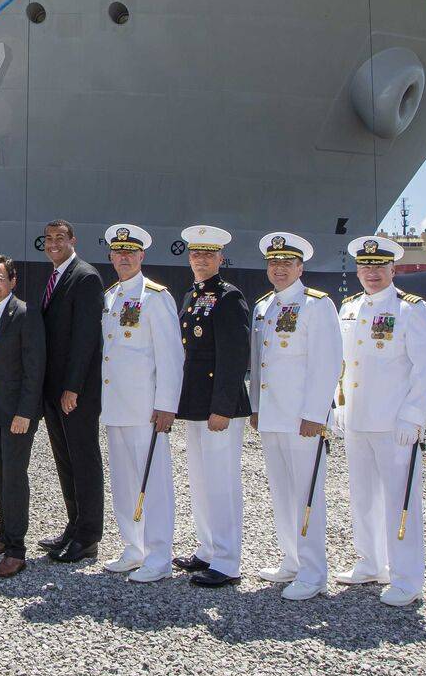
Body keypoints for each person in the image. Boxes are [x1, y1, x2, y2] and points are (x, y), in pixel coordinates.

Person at [334, 235, 426, 606]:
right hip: (358, 419)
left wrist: (413, 416)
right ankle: (370, 563)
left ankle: (407, 578)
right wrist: (339, 407)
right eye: (366, 266)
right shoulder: (348, 308)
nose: (372, 273)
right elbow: (343, 365)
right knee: (363, 497)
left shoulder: (412, 309)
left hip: (394, 422)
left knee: (400, 501)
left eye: (379, 266)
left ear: (392, 269)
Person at [248, 232, 342, 601]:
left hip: (302, 419)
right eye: (274, 263)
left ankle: (314, 571)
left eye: (287, 263)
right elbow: (259, 365)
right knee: (283, 492)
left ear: (301, 267)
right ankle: (291, 558)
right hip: (272, 416)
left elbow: (328, 361)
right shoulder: (264, 307)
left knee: (307, 496)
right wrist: (256, 406)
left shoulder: (316, 305)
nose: (280, 268)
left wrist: (315, 414)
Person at [98, 225, 183, 583]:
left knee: (154, 482)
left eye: (130, 252)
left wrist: (166, 405)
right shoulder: (111, 296)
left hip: (146, 409)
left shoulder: (156, 297)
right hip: (116, 406)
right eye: (118, 252)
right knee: (123, 482)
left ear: (142, 256)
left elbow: (171, 355)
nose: (124, 257)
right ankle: (133, 547)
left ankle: (160, 555)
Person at [173, 225, 252, 589]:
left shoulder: (229, 297)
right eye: (195, 253)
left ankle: (228, 560)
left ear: (221, 258)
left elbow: (234, 358)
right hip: (196, 404)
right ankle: (207, 549)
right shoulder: (192, 294)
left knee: (222, 484)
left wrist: (221, 407)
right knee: (201, 481)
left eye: (208, 253)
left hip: (220, 408)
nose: (201, 259)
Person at [38, 219, 106, 564]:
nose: (53, 243)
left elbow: (85, 339)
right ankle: (73, 525)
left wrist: (72, 388)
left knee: (83, 459)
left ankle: (89, 536)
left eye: (60, 238)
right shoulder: (54, 277)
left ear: (73, 240)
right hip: (53, 390)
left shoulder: (85, 277)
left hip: (73, 392)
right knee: (65, 460)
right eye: (49, 238)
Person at [0, 254, 45, 578]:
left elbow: (35, 369)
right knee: (0, 476)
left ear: (12, 281)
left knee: (15, 479)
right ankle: (4, 535)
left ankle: (17, 550)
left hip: (17, 413)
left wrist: (25, 413)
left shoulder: (26, 314)